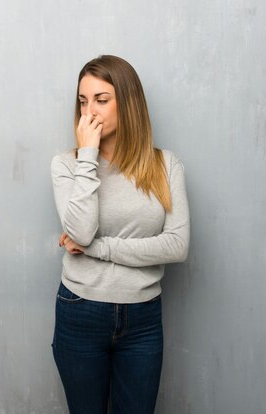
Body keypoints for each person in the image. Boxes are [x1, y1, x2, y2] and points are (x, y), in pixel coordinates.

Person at [50, 55, 190, 414]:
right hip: (80, 311)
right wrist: (88, 155)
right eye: (83, 101)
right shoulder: (68, 164)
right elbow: (79, 229)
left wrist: (97, 248)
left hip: (143, 317)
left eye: (101, 99)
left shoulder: (165, 165)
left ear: (127, 103)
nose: (89, 111)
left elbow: (176, 245)